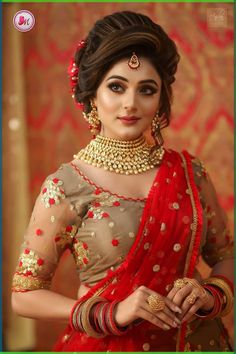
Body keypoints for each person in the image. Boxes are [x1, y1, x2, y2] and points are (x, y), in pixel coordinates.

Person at [11, 11, 234, 352]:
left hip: (198, 343)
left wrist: (210, 294)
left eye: (147, 90)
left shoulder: (189, 172)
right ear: (93, 96)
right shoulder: (65, 185)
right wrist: (109, 313)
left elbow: (226, 256)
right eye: (116, 87)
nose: (130, 104)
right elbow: (24, 296)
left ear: (160, 100)